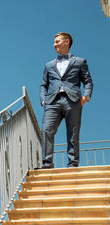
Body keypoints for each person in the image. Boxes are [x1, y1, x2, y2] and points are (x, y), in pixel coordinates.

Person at [40, 32, 93, 168]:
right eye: (54, 42)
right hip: (52, 101)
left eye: (57, 41)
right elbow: (43, 85)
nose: (54, 44)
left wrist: (86, 96)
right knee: (46, 130)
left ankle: (73, 164)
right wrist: (43, 99)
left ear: (66, 42)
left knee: (73, 133)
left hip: (73, 101)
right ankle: (47, 164)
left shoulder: (80, 62)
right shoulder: (49, 65)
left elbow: (88, 81)